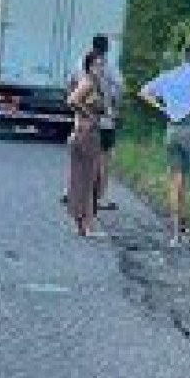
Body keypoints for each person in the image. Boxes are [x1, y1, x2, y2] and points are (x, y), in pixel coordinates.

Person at [138, 40, 190, 246]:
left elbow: (144, 92)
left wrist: (163, 108)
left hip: (172, 129)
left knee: (176, 182)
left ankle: (175, 236)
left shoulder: (168, 75)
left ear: (183, 56)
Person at [64, 53, 108, 237]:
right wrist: (89, 115)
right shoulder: (88, 82)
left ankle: (83, 224)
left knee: (88, 179)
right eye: (97, 65)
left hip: (88, 133)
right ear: (89, 66)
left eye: (102, 65)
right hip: (86, 134)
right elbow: (72, 100)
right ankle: (87, 226)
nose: (101, 68)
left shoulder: (94, 83)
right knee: (88, 180)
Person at [87, 32, 125, 210]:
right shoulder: (110, 66)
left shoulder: (82, 62)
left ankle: (73, 191)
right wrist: (115, 108)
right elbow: (120, 88)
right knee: (104, 159)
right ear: (107, 48)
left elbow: (71, 83)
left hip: (85, 118)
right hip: (105, 120)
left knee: (83, 157)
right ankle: (101, 197)